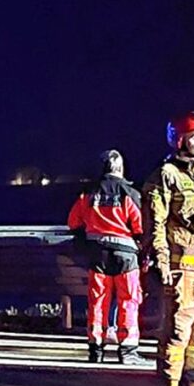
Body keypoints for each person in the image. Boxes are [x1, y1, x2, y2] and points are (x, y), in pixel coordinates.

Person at [143, 111, 194, 386]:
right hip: (180, 264)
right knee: (179, 325)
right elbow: (155, 225)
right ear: (181, 140)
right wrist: (161, 261)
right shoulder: (165, 176)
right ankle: (170, 382)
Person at [68, 150, 145, 364]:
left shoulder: (88, 193)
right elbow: (140, 226)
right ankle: (127, 350)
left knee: (98, 300)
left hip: (97, 254)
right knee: (128, 300)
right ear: (121, 168)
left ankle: (96, 349)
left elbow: (74, 222)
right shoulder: (129, 193)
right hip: (126, 256)